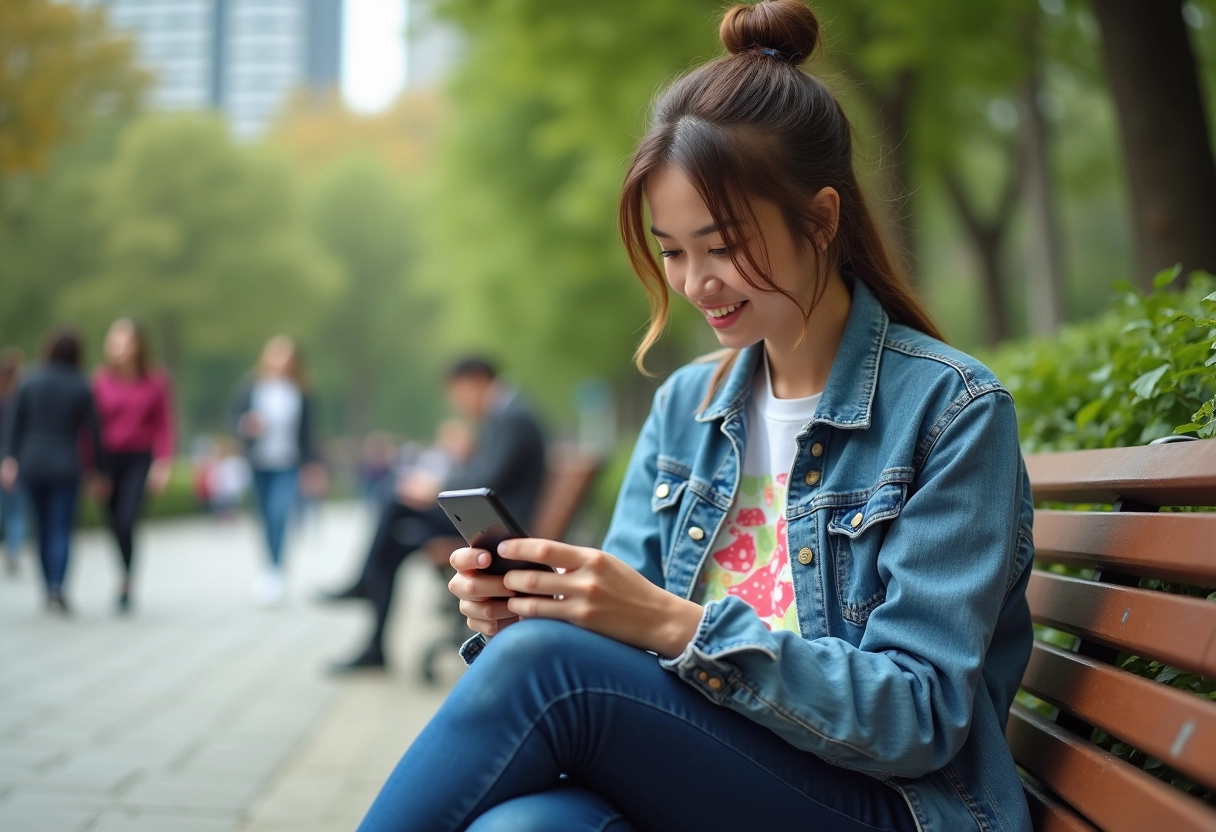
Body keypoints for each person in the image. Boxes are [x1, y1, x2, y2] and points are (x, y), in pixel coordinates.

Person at [358, 3, 1036, 831]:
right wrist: (535, 604)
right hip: (715, 774)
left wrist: (673, 624)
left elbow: (917, 717)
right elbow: (608, 638)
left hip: (887, 804)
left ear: (820, 219)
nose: (695, 282)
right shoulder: (689, 405)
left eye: (722, 245)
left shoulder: (951, 412)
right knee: (525, 827)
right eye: (673, 251)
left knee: (547, 670)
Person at [322, 358, 545, 672]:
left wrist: (435, 488)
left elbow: (489, 479)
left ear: (476, 381)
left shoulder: (513, 417)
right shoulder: (508, 414)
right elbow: (488, 474)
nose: (458, 403)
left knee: (393, 498)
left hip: (497, 529)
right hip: (489, 520)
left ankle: (364, 583)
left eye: (458, 393)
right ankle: (374, 644)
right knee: (397, 537)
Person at [1, 329, 107, 614]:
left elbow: (14, 423)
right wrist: (97, 470)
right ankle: (57, 587)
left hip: (32, 462)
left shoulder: (29, 380)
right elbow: (93, 433)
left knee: (41, 528)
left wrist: (9, 458)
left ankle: (47, 585)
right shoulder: (80, 385)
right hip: (65, 465)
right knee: (60, 528)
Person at [232, 336, 325, 606]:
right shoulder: (252, 386)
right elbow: (235, 418)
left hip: (287, 464)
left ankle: (276, 570)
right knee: (263, 518)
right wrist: (245, 426)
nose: (281, 362)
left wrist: (312, 467)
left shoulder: (301, 392)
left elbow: (308, 433)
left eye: (287, 357)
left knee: (279, 514)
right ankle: (269, 569)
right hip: (258, 463)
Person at [92, 319, 176, 612]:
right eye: (114, 341)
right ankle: (122, 569)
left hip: (139, 457)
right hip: (107, 459)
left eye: (125, 342)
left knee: (128, 518)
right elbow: (91, 428)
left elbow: (165, 423)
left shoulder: (155, 379)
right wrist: (92, 469)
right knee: (114, 522)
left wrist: (163, 462)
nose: (119, 348)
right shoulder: (100, 380)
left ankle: (127, 580)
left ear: (139, 345)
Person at [0, 348, 27, 576]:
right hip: (15, 460)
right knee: (17, 511)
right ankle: (13, 549)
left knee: (7, 510)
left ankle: (11, 548)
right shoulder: (20, 399)